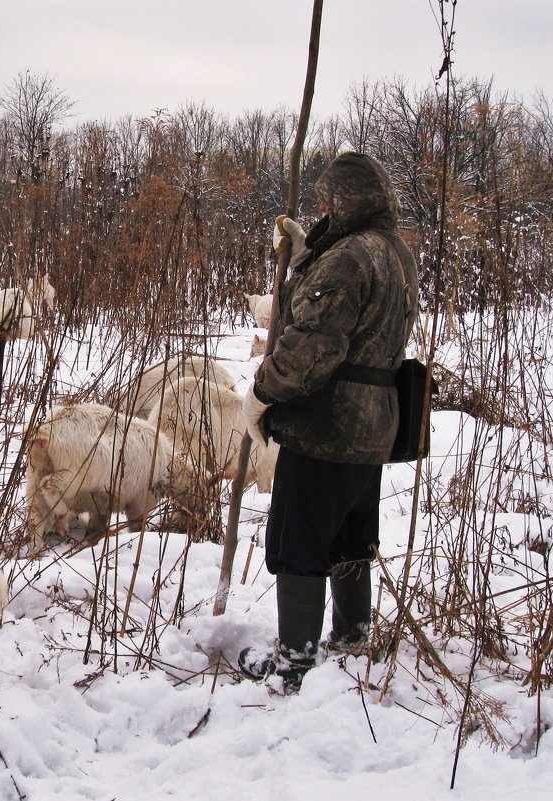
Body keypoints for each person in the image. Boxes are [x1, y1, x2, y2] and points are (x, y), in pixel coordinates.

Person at [237, 152, 420, 691]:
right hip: (375, 427)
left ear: (349, 200)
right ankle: (352, 636)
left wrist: (262, 393)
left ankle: (293, 663)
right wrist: (302, 261)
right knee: (350, 534)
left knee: (299, 541)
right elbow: (352, 320)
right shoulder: (395, 251)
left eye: (329, 198)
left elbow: (312, 343)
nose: (321, 205)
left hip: (326, 426)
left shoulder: (349, 257)